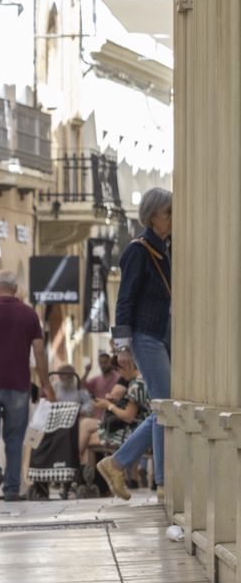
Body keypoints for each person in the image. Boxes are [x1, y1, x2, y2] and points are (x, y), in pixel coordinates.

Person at [98, 187, 173, 500]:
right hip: (146, 336)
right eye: (169, 212)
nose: (174, 218)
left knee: (165, 408)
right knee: (165, 406)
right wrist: (122, 346)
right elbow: (124, 299)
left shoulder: (168, 247)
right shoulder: (138, 250)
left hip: (164, 334)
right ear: (153, 215)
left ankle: (117, 464)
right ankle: (163, 483)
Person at [0, 270, 51, 503]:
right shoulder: (29, 314)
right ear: (16, 290)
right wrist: (46, 384)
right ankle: (12, 490)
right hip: (18, 384)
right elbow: (38, 351)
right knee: (15, 439)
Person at [82, 348, 148, 463]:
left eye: (119, 370)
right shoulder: (142, 380)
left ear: (126, 366)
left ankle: (85, 474)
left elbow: (128, 416)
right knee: (87, 429)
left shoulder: (136, 385)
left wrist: (108, 405)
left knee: (88, 439)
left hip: (134, 432)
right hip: (139, 428)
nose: (120, 375)